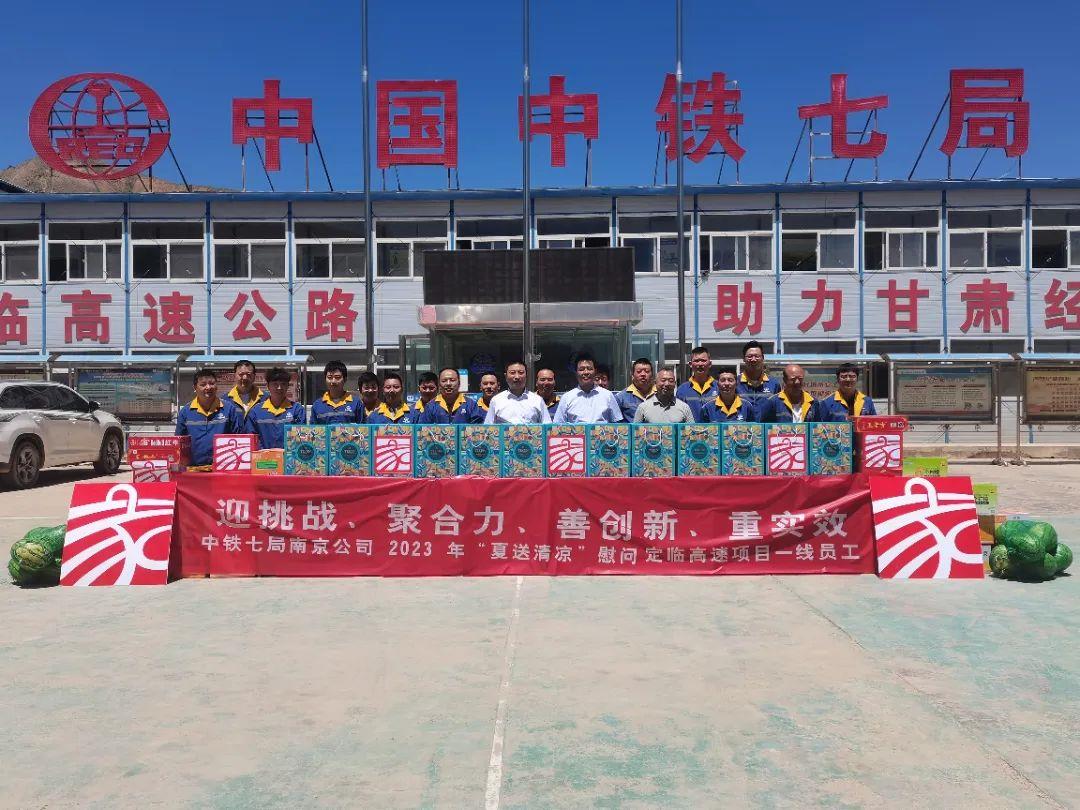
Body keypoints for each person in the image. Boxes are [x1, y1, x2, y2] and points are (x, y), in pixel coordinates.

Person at [176, 368, 246, 466]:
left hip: (223, 467)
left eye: (212, 383)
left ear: (217, 386)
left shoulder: (229, 409)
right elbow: (179, 442)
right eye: (203, 384)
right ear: (195, 387)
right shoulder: (185, 412)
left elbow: (238, 438)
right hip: (194, 468)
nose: (208, 387)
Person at [244, 367, 307, 449]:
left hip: (288, 456)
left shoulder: (297, 410)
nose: (279, 388)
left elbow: (301, 438)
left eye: (283, 384)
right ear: (268, 386)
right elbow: (251, 439)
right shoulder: (256, 411)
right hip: (263, 456)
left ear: (288, 386)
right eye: (275, 384)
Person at [553, 355, 624, 423]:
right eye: (581, 369)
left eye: (589, 369)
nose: (586, 372)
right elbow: (558, 425)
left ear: (595, 371)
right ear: (576, 373)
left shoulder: (607, 395)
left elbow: (617, 423)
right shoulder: (567, 397)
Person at [484, 361, 552, 424]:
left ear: (526, 375)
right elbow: (488, 427)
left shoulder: (538, 400)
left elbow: (547, 427)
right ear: (506, 376)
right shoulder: (496, 400)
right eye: (512, 373)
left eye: (521, 372)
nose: (517, 377)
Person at [416, 367, 483, 424]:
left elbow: (477, 429)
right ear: (439, 384)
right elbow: (422, 431)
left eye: (452, 380)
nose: (448, 384)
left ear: (459, 383)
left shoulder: (471, 405)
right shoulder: (430, 407)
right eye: (444, 381)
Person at [736, 340, 781, 416]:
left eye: (757, 356)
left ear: (763, 358)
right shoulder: (735, 383)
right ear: (743, 359)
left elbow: (778, 409)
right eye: (749, 356)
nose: (753, 359)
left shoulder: (774, 384)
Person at [676, 346, 719, 421]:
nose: (700, 364)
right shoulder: (682, 390)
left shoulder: (719, 387)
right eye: (696, 361)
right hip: (690, 428)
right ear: (690, 364)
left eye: (703, 360)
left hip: (714, 428)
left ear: (710, 364)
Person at [615, 358, 656, 422]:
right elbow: (616, 422)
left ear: (652, 375)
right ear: (632, 375)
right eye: (639, 371)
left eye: (647, 371)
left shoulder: (660, 394)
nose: (643, 374)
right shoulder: (621, 397)